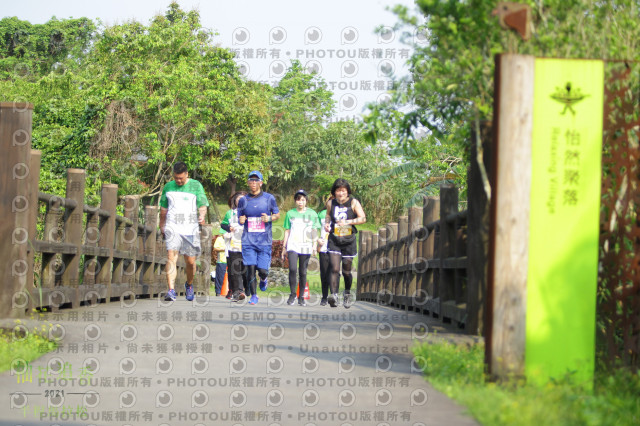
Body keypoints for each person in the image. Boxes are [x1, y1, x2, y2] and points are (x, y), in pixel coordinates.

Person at [159, 162, 209, 301]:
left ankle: (189, 284)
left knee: (190, 261)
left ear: (187, 174)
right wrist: (162, 225)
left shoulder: (195, 185)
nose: (178, 181)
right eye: (176, 178)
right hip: (173, 227)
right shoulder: (168, 187)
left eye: (181, 178)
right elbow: (163, 209)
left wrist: (202, 215)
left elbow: (203, 204)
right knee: (171, 258)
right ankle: (171, 290)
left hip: (190, 228)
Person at [237, 171, 280, 305]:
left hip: (264, 241)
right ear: (248, 183)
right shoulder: (243, 200)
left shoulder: (269, 198)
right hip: (248, 240)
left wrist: (269, 218)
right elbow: (239, 218)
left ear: (261, 182)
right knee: (250, 269)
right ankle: (254, 295)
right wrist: (241, 220)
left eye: (256, 181)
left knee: (262, 270)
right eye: (251, 180)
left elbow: (277, 215)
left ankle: (263, 279)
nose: (254, 183)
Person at [324, 178, 366, 308]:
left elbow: (363, 218)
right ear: (334, 192)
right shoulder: (331, 203)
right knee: (334, 268)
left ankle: (347, 293)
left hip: (348, 240)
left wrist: (348, 222)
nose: (340, 193)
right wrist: (326, 224)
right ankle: (334, 295)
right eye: (338, 191)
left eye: (343, 190)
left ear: (347, 191)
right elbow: (328, 215)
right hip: (334, 239)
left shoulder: (353, 202)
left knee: (346, 272)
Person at [281, 189, 321, 307]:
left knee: (303, 272)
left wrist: (314, 245)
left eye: (303, 200)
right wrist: (284, 247)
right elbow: (287, 231)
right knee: (293, 269)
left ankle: (301, 297)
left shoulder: (312, 214)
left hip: (306, 246)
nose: (300, 202)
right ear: (295, 201)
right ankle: (292, 294)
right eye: (298, 200)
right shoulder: (290, 213)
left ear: (306, 201)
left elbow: (314, 230)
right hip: (293, 245)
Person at [220, 191, 248, 301]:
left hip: (246, 245)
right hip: (233, 245)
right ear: (234, 200)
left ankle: (246, 289)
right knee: (234, 269)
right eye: (238, 199)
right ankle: (237, 291)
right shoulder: (230, 213)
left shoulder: (250, 213)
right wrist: (228, 231)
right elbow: (223, 227)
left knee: (245, 270)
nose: (240, 201)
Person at [316, 197, 332, 306]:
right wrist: (317, 242)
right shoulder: (321, 214)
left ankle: (334, 294)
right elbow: (315, 229)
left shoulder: (341, 214)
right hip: (324, 247)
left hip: (337, 247)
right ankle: (324, 297)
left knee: (334, 272)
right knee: (324, 273)